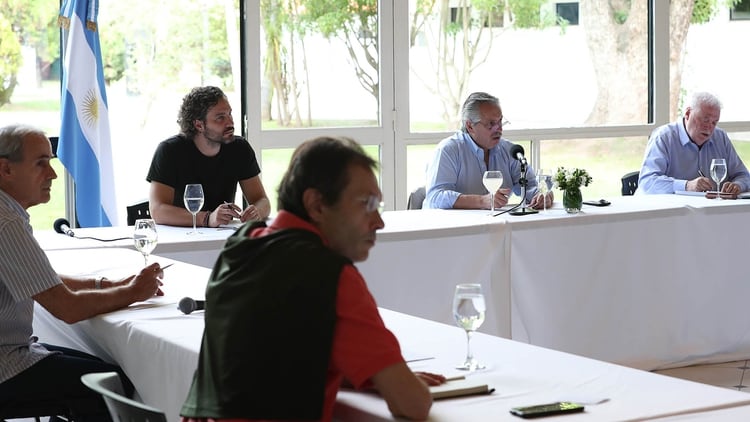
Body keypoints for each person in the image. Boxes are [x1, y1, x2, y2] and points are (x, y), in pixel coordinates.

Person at [181, 136, 444, 422]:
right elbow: (413, 404)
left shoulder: (241, 247)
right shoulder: (329, 276)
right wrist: (396, 379)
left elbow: (267, 363)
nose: (378, 222)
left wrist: (368, 374)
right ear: (316, 204)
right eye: (366, 204)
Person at [0, 124, 164, 420]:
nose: (52, 174)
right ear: (5, 169)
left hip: (13, 351)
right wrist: (133, 292)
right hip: (6, 363)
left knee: (101, 370)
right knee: (110, 384)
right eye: (41, 163)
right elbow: (67, 308)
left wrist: (105, 285)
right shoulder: (6, 221)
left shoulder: (7, 212)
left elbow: (41, 282)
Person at [147, 86, 271, 228]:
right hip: (180, 237)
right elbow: (157, 210)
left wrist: (257, 211)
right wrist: (207, 219)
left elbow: (262, 200)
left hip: (221, 237)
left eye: (230, 114)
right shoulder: (169, 151)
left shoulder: (239, 148)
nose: (230, 122)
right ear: (199, 125)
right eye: (220, 118)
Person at [423, 91, 552, 210]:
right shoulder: (448, 151)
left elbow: (529, 187)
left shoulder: (509, 151)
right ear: (470, 126)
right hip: (452, 230)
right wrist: (482, 201)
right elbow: (435, 198)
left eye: (500, 121)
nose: (499, 129)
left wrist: (541, 195)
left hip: (495, 227)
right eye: (491, 124)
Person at [637, 91, 750, 194]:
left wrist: (738, 185)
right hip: (666, 211)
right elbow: (647, 182)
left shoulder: (720, 137)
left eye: (714, 122)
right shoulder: (664, 137)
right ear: (687, 113)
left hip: (709, 211)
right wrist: (687, 185)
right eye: (705, 120)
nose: (709, 128)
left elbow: (744, 176)